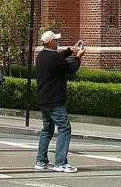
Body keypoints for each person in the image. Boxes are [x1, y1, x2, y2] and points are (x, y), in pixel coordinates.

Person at [34, 30, 85, 174]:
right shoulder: (54, 58)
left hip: (43, 99)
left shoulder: (41, 56)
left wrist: (70, 50)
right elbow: (71, 69)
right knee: (64, 128)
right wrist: (78, 57)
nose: (57, 41)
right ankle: (60, 163)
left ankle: (41, 160)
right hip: (54, 100)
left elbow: (57, 58)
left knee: (47, 129)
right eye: (56, 40)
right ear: (50, 42)